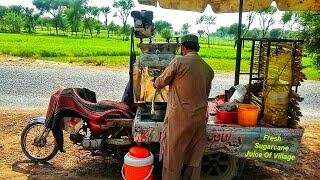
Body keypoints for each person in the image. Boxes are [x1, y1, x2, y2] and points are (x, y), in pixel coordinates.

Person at [154, 34, 214, 180]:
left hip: (179, 118)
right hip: (199, 119)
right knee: (193, 157)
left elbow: (160, 82)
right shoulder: (208, 69)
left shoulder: (179, 62)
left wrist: (155, 81)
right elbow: (205, 94)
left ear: (183, 47)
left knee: (173, 157)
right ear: (197, 48)